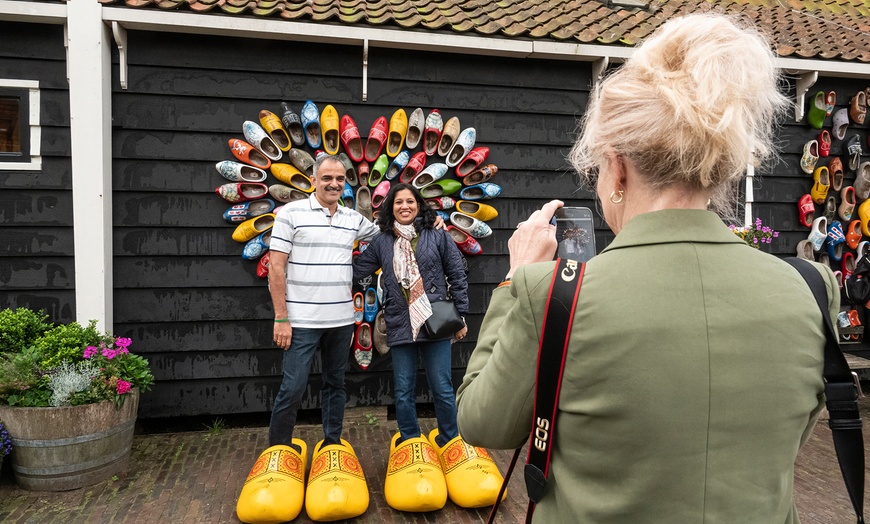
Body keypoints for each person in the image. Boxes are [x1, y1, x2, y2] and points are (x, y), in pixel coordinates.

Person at [456, 13, 838, 523]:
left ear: (616, 168)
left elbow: (481, 422)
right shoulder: (810, 287)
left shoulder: (550, 295)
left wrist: (515, 279)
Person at [353, 183, 503, 511]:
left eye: (410, 201)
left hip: (435, 319)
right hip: (400, 322)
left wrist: (461, 314)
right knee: (404, 389)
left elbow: (457, 274)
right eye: (399, 202)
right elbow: (359, 269)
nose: (404, 206)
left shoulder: (438, 234)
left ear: (418, 206)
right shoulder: (382, 241)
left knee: (443, 387)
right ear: (390, 207)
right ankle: (409, 440)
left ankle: (450, 440)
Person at [265, 153, 379, 521]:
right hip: (300, 321)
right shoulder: (291, 214)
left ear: (346, 182)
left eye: (340, 179)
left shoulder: (352, 219)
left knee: (335, 384)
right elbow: (276, 267)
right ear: (314, 179)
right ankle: (278, 454)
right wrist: (281, 317)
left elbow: (386, 232)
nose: (334, 184)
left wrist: (429, 227)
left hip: (341, 320)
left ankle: (331, 446)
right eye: (327, 177)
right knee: (293, 386)